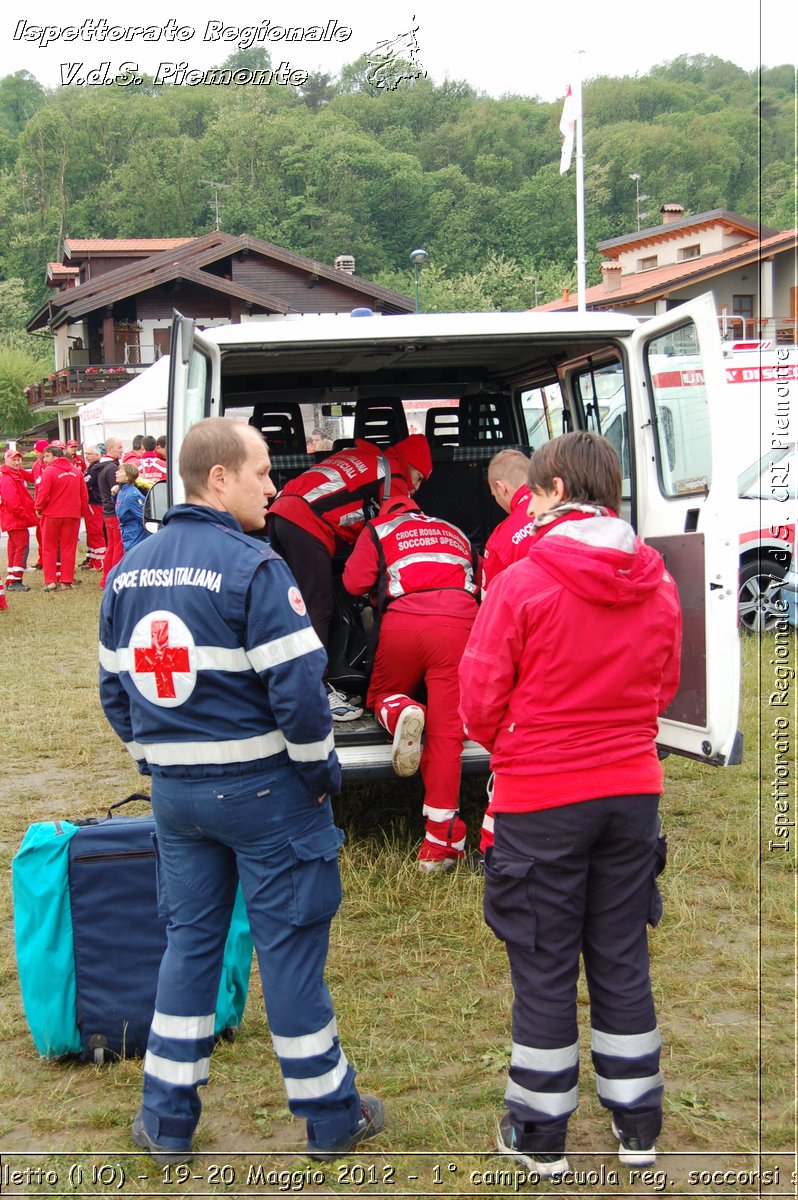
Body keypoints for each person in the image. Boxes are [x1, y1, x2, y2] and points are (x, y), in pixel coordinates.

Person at [98, 417, 383, 1165]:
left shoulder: (127, 571)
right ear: (218, 479)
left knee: (188, 947)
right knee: (288, 953)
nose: (273, 486)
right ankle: (330, 1118)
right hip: (264, 798)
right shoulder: (255, 568)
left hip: (176, 800)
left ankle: (164, 1123)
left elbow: (114, 688)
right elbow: (300, 695)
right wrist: (321, 774)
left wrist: (157, 759)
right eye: (261, 472)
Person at [458, 432, 682, 1177]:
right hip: (631, 791)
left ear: (550, 490)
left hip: (541, 798)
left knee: (546, 963)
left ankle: (539, 1131)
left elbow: (480, 698)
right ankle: (639, 1124)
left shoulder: (522, 581)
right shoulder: (659, 581)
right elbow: (666, 684)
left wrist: (519, 745)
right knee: (621, 955)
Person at [342, 493, 478, 872]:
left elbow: (353, 584)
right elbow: (479, 579)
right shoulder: (454, 530)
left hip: (403, 625)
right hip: (458, 625)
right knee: (448, 731)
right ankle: (442, 840)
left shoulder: (378, 529)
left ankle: (403, 709)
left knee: (382, 696)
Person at [268, 435, 433, 721]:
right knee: (317, 608)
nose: (416, 488)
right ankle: (315, 692)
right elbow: (391, 531)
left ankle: (282, 680)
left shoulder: (365, 458)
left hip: (279, 514)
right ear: (412, 466)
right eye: (419, 478)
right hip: (308, 525)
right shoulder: (394, 474)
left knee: (291, 606)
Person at [477, 449, 537, 854]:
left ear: (501, 487)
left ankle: (493, 847)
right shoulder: (584, 520)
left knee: (514, 756)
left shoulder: (502, 539)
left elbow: (488, 619)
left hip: (527, 663)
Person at [35, 444, 90, 591]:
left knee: (49, 547)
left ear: (56, 456)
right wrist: (82, 513)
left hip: (52, 514)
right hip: (72, 515)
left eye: (47, 456)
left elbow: (43, 494)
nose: (44, 459)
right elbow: (84, 496)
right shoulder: (76, 472)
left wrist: (38, 507)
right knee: (68, 547)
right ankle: (66, 581)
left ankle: (51, 581)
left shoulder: (49, 471)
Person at [0, 447, 36, 592]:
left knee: (15, 547)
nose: (17, 462)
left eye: (18, 459)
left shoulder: (14, 475)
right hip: (15, 519)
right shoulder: (8, 478)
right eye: (13, 459)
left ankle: (11, 578)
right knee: (21, 547)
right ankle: (16, 579)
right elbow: (13, 503)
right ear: (6, 460)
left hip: (14, 519)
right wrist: (28, 516)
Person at [97, 438, 125, 586]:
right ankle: (114, 578)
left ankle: (106, 579)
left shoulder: (102, 466)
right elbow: (117, 491)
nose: (122, 450)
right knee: (118, 547)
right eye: (119, 447)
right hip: (114, 512)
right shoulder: (112, 468)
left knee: (112, 547)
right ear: (109, 449)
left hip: (107, 511)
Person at [113, 463, 150, 553]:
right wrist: (113, 496)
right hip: (128, 535)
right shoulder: (121, 491)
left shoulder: (132, 495)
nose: (116, 473)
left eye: (120, 471)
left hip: (135, 536)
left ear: (127, 477)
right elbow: (121, 509)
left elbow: (143, 518)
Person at [81, 445, 106, 571]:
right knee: (90, 533)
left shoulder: (95, 469)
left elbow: (86, 483)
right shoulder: (91, 467)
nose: (87, 456)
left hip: (94, 504)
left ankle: (100, 562)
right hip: (91, 504)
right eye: (86, 453)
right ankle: (92, 558)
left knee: (96, 532)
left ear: (97, 455)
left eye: (89, 454)